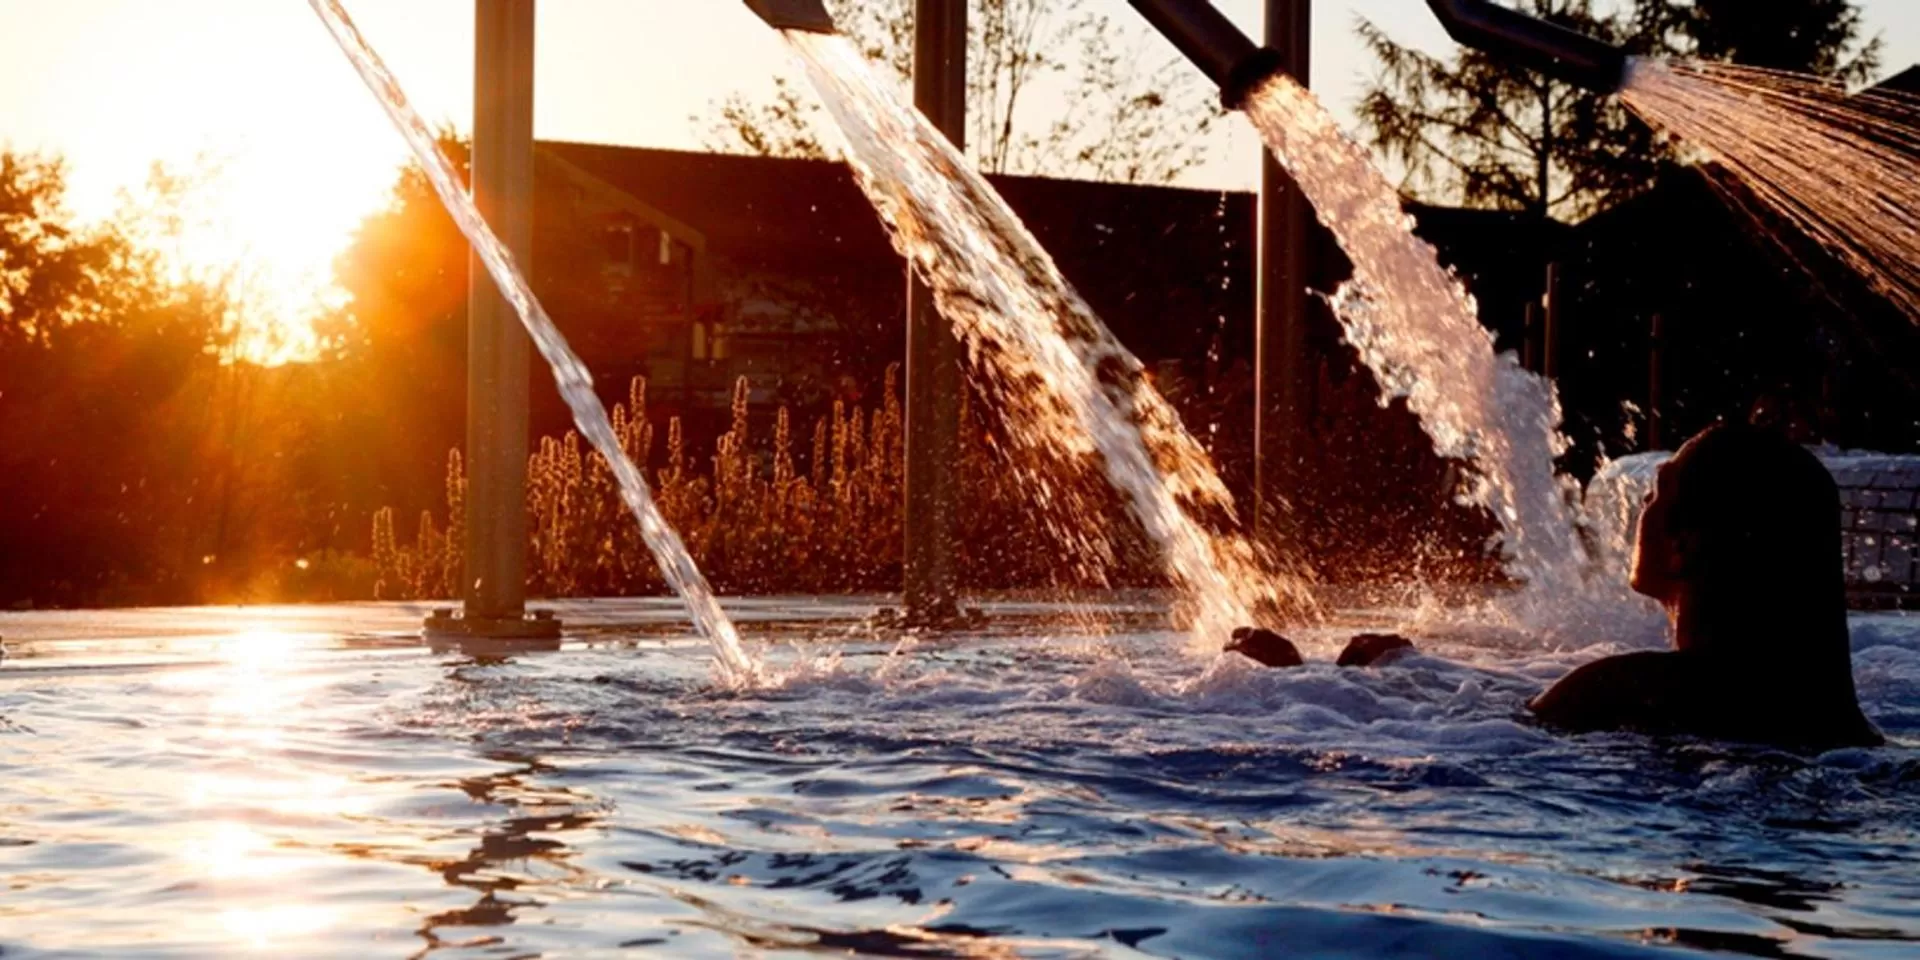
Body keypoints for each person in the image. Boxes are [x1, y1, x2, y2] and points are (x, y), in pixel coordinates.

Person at [1529, 422, 1881, 748]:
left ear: (1681, 546)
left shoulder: (1617, 692)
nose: (1642, 504)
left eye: (1655, 493)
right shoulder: (1844, 725)